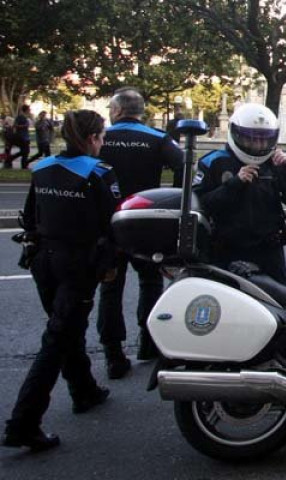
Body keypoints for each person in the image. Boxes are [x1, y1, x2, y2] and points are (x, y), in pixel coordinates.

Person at [3, 110, 120, 452]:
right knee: (57, 338)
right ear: (92, 138)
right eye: (101, 136)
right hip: (78, 263)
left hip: (44, 259)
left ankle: (83, 389)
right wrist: (111, 262)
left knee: (65, 328)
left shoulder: (42, 168)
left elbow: (29, 217)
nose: (103, 143)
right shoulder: (99, 172)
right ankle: (23, 423)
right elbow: (111, 224)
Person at [96, 87, 184, 377]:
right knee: (149, 283)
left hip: (107, 222)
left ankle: (113, 354)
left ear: (118, 111)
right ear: (140, 112)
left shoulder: (100, 138)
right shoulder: (157, 139)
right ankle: (148, 343)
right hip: (145, 220)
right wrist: (169, 200)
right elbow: (184, 168)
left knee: (110, 287)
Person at [193, 103, 286, 286]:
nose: (259, 145)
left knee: (281, 300)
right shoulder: (214, 162)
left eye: (264, 140)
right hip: (227, 248)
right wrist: (234, 184)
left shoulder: (276, 162)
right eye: (251, 139)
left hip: (269, 249)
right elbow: (201, 203)